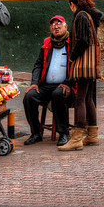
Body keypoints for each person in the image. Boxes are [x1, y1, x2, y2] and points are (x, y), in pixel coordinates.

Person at [59, 0, 103, 151]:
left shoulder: (81, 16)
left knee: (80, 99)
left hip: (84, 64)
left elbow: (83, 40)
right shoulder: (89, 15)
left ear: (72, 4)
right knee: (89, 98)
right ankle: (92, 134)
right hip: (90, 64)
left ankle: (77, 137)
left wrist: (72, 57)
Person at [23, 15, 74, 146]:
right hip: (46, 86)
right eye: (53, 24)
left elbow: (75, 66)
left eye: (59, 24)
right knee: (29, 96)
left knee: (58, 94)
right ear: (50, 28)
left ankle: (63, 133)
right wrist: (34, 83)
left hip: (66, 85)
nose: (56, 27)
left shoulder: (72, 43)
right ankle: (35, 133)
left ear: (65, 26)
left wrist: (68, 82)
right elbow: (38, 65)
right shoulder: (47, 43)